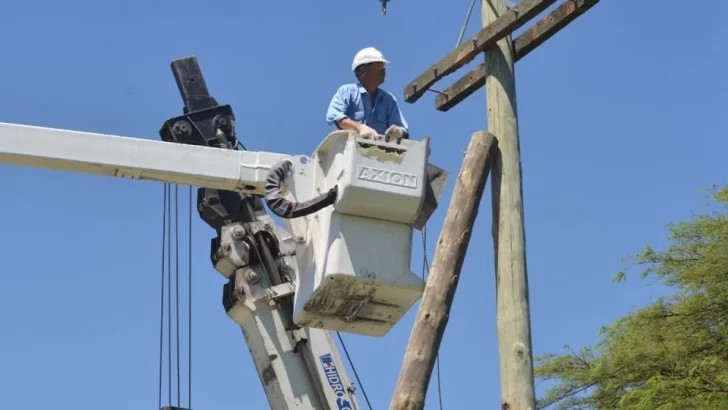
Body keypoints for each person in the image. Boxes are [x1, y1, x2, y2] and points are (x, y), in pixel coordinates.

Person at [326, 47, 409, 142]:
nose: (383, 70)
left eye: (383, 66)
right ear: (363, 71)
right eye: (378, 65)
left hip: (379, 154)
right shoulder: (347, 92)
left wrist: (399, 132)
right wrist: (359, 127)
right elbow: (335, 116)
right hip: (350, 150)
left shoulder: (388, 100)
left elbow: (402, 128)